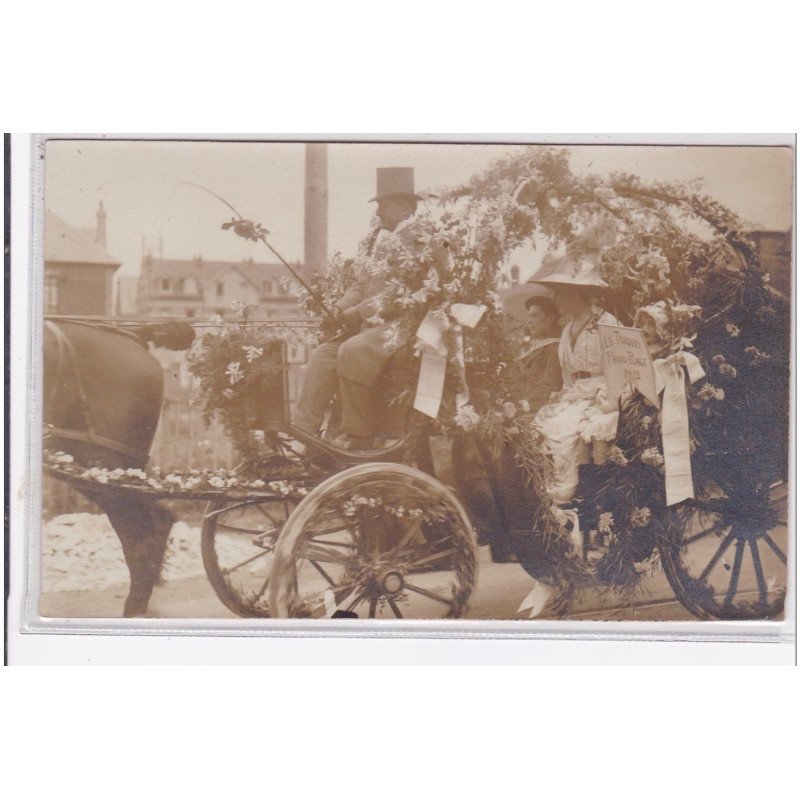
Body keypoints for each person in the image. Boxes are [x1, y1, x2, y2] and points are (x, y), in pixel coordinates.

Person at [293, 168, 421, 447]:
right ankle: (303, 432)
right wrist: (339, 309)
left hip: (403, 325)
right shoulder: (376, 241)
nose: (379, 214)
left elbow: (398, 294)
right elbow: (359, 286)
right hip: (372, 326)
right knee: (322, 354)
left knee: (353, 349)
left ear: (405, 207)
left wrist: (356, 314)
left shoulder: (420, 239)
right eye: (378, 207)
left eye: (384, 206)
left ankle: (359, 434)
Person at [530, 254, 622, 505]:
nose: (556, 300)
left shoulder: (606, 323)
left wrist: (605, 398)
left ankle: (569, 494)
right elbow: (567, 374)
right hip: (575, 395)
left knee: (565, 430)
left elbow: (618, 369)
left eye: (561, 293)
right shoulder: (566, 329)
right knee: (541, 426)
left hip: (600, 395)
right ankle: (549, 493)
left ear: (576, 293)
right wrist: (563, 392)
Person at [517, 294, 563, 413]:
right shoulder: (539, 344)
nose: (529, 321)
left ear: (550, 318)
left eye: (534, 316)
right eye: (529, 316)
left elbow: (549, 386)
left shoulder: (556, 347)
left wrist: (522, 407)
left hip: (539, 410)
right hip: (524, 406)